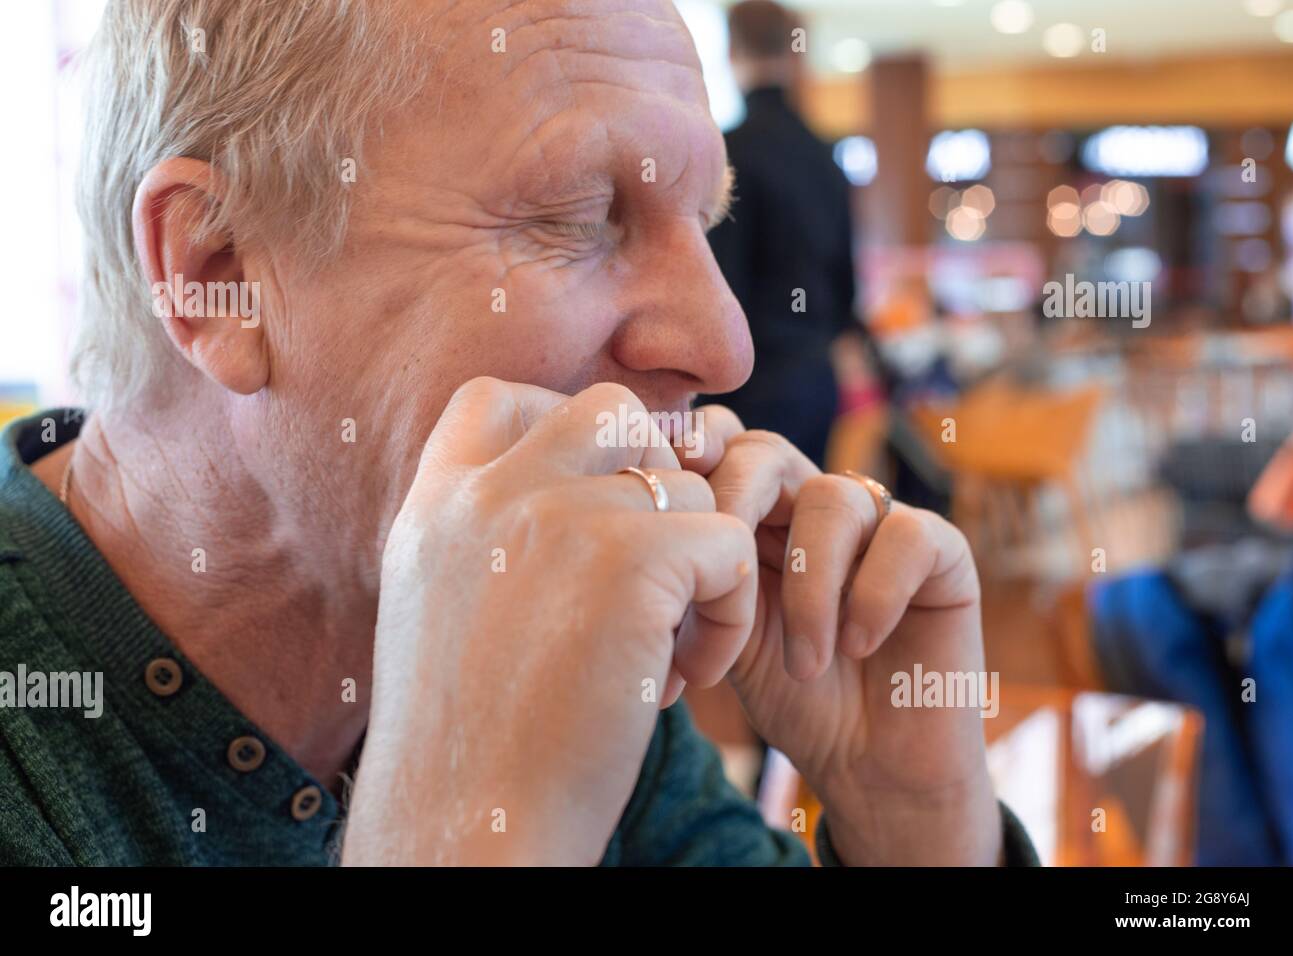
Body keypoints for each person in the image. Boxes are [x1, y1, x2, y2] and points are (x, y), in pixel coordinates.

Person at [0, 0, 1034, 867]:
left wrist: (919, 823)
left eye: (704, 222)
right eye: (578, 216)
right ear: (219, 272)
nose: (724, 346)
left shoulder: (559, 604)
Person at [705, 0, 860, 467]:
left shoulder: (728, 152)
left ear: (731, 51)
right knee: (809, 522)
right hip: (816, 376)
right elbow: (847, 287)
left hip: (750, 381)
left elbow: (719, 284)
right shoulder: (825, 156)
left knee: (742, 526)